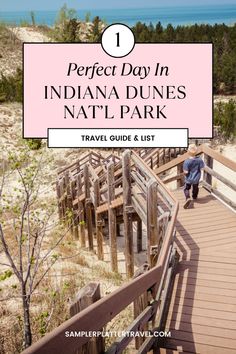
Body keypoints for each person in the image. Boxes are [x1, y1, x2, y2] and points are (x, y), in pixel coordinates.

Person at [183, 144, 204, 209]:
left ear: (188, 152)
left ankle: (188, 197)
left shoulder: (186, 161)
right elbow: (202, 168)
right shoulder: (199, 160)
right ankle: (194, 196)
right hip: (196, 178)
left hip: (189, 178)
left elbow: (186, 172)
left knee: (186, 188)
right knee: (195, 187)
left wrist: (184, 172)